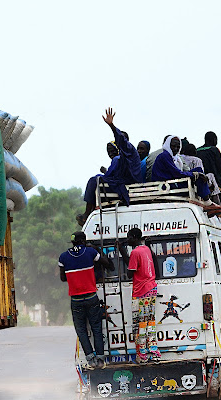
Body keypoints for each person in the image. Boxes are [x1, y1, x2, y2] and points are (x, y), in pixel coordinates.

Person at [76, 108, 142, 225]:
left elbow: (112, 174)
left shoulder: (128, 150)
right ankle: (89, 212)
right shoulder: (124, 155)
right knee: (97, 179)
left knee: (94, 180)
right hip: (122, 181)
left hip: (127, 183)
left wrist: (111, 125)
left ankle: (87, 213)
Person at [59, 231, 114, 369]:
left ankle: (90, 359)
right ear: (84, 241)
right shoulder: (90, 252)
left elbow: (63, 278)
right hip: (91, 297)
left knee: (81, 330)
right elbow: (107, 263)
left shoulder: (63, 257)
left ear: (72, 243)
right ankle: (101, 359)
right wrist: (96, 250)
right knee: (96, 327)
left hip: (76, 299)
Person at [118, 227, 160, 363]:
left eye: (129, 237)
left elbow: (130, 273)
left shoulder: (135, 252)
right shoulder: (146, 249)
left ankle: (142, 354)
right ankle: (154, 352)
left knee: (140, 324)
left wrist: (122, 251)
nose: (128, 240)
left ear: (134, 237)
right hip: (152, 289)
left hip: (141, 291)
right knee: (150, 322)